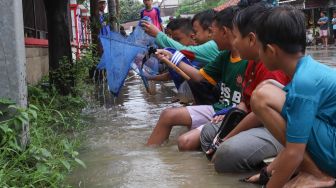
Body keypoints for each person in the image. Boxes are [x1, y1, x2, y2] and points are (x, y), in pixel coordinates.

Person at [247, 6, 336, 187]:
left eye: (260, 49)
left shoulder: (303, 84)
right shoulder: (309, 70)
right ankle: (308, 170)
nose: (259, 55)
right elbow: (296, 137)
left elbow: (295, 152)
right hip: (330, 137)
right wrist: (268, 172)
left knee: (262, 97)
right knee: (267, 87)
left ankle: (317, 175)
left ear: (271, 51)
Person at [200, 3, 290, 173]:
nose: (233, 43)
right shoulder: (251, 63)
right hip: (254, 121)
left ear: (251, 39)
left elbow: (259, 113)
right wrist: (229, 116)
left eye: (235, 37)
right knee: (208, 131)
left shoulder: (271, 65)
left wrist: (226, 138)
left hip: (273, 127)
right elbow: (245, 103)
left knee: (226, 154)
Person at [147, 6, 248, 151]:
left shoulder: (250, 60)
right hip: (218, 108)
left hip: (232, 113)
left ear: (224, 32)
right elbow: (198, 76)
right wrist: (172, 58)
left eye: (213, 32)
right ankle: (149, 155)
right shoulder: (224, 56)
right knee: (167, 115)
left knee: (184, 142)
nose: (211, 38)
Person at [142, 9, 219, 64]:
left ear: (209, 31)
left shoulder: (213, 45)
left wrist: (158, 34)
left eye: (196, 32)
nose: (194, 36)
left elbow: (184, 50)